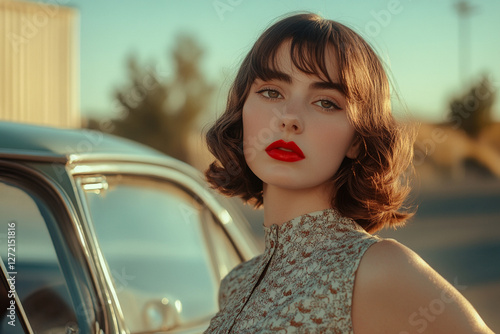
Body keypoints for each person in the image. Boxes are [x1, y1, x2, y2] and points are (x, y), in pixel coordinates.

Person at [203, 13, 493, 333]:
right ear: (241, 108)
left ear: (356, 138)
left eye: (326, 102)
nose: (288, 118)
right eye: (272, 92)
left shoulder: (377, 268)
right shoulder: (235, 284)